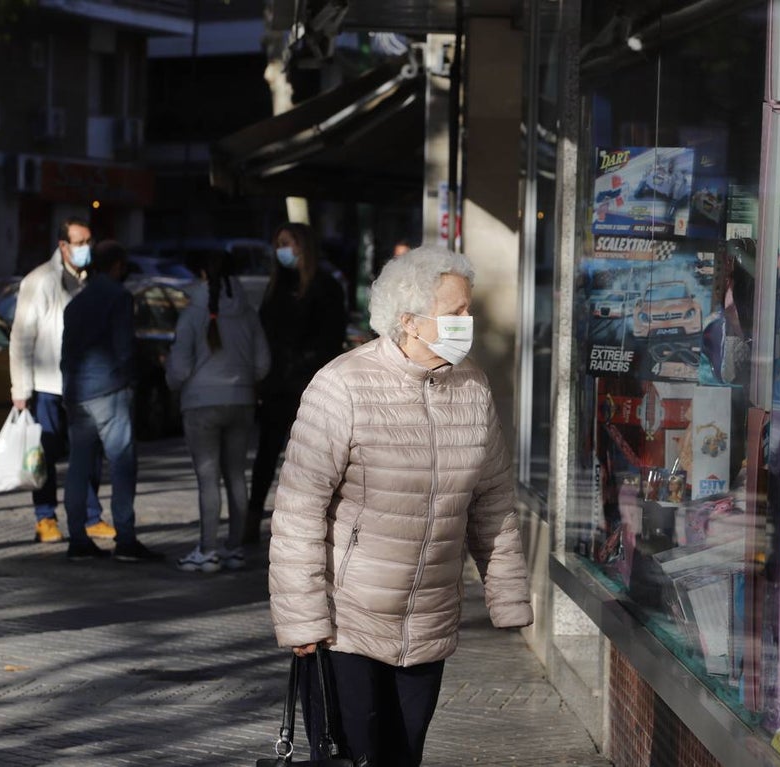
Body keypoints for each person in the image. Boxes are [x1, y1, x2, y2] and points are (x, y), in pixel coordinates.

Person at [268, 245, 534, 767]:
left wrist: (507, 596)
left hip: (429, 622)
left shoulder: (473, 387)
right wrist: (302, 619)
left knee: (402, 757)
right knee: (351, 757)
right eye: (457, 311)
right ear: (410, 320)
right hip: (349, 624)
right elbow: (299, 510)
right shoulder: (342, 384)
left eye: (469, 309)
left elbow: (493, 501)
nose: (469, 321)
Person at [10, 216, 114, 544]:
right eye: (80, 243)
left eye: (89, 242)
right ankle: (45, 518)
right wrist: (21, 390)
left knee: (88, 453)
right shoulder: (40, 281)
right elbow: (21, 338)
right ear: (63, 245)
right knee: (44, 455)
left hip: (84, 384)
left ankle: (90, 516)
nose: (87, 248)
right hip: (46, 385)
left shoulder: (92, 279)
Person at [167, 249, 271, 573]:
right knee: (237, 476)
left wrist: (172, 379)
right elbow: (263, 363)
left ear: (201, 274)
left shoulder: (192, 314)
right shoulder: (247, 313)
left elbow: (179, 368)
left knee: (207, 478)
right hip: (241, 403)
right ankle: (234, 548)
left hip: (201, 405)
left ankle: (207, 549)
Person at [60, 240, 163, 562]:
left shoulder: (75, 304)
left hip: (77, 393)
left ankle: (77, 539)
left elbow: (66, 353)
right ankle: (126, 539)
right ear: (117, 265)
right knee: (121, 465)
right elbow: (123, 347)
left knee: (78, 467)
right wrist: (132, 379)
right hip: (109, 392)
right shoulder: (119, 298)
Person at [245, 223, 347, 544]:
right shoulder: (277, 287)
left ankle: (309, 522)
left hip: (308, 386)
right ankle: (251, 521)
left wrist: (301, 367)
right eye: (278, 243)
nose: (282, 250)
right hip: (277, 386)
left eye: (287, 243)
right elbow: (264, 332)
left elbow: (330, 338)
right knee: (267, 455)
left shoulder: (324, 286)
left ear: (303, 245)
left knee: (309, 460)